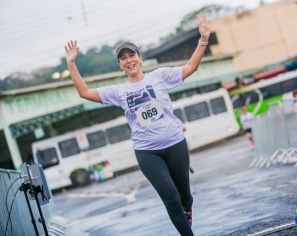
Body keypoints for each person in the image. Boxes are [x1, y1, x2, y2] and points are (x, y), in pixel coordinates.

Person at [65, 15, 210, 236]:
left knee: (184, 196)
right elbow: (84, 92)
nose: (128, 60)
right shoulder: (118, 91)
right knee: (170, 196)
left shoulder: (160, 76)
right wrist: (72, 64)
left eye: (131, 55)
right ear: (120, 66)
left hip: (175, 143)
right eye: (123, 58)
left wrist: (203, 40)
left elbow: (191, 67)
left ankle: (187, 209)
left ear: (139, 58)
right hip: (147, 151)